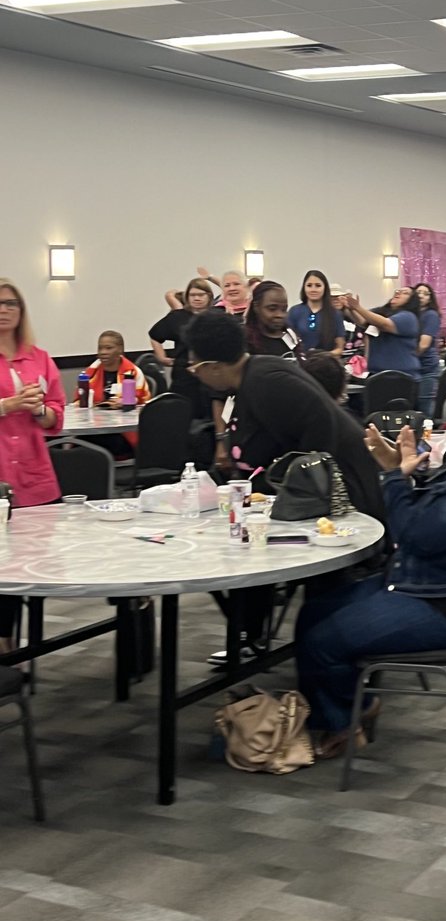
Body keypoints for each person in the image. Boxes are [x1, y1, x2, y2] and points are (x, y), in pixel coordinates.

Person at [294, 394, 446, 757]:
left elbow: (411, 535)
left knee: (323, 641)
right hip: (417, 584)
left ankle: (343, 723)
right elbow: (426, 511)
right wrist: (399, 468)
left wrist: (392, 477)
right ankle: (360, 704)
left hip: (442, 608)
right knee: (313, 613)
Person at [183, 312, 386, 658]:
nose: (195, 373)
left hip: (344, 491)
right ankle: (250, 636)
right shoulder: (254, 375)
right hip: (323, 487)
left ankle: (335, 651)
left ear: (214, 365)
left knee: (283, 556)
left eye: (194, 366)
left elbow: (320, 426)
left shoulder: (266, 380)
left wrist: (300, 479)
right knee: (251, 541)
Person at [0, 279, 65, 653]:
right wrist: (7, 405)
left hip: (35, 476)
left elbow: (55, 415)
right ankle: (5, 645)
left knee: (32, 561)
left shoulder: (38, 357)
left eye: (12, 303)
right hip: (1, 479)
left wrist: (38, 409)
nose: (5, 309)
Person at [148, 277, 215, 419]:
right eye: (193, 295)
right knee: (182, 415)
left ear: (209, 296)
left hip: (210, 375)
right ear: (187, 297)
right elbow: (154, 335)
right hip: (184, 374)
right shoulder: (178, 317)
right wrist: (161, 357)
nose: (196, 298)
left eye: (201, 295)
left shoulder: (216, 316)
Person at [73, 331, 150, 454]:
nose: (103, 352)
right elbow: (78, 402)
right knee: (80, 445)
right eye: (100, 348)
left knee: (93, 447)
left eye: (108, 348)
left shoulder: (133, 373)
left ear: (120, 350)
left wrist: (124, 403)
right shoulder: (89, 374)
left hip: (123, 432)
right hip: (93, 427)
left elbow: (144, 405)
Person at [343, 287, 421, 377]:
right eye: (398, 291)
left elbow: (384, 324)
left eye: (405, 293)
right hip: (377, 372)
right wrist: (350, 308)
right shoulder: (383, 312)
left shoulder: (408, 317)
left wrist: (358, 307)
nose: (398, 293)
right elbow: (363, 321)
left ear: (412, 301)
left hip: (401, 374)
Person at [287, 271, 345, 358]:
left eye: (318, 286)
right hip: (300, 364)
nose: (313, 289)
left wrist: (323, 355)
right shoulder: (294, 311)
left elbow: (339, 349)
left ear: (325, 288)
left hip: (325, 364)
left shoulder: (335, 314)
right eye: (309, 285)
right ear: (304, 288)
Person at [243, 281, 302, 360]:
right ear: (256, 307)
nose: (279, 315)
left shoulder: (290, 336)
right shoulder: (245, 340)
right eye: (272, 309)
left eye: (284, 309)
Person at [413, 283, 442, 417]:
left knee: (424, 408)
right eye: (418, 292)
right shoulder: (410, 315)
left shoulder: (431, 315)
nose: (421, 296)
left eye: (425, 293)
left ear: (430, 298)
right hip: (413, 369)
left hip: (426, 368)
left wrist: (408, 358)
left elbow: (424, 345)